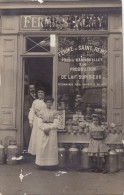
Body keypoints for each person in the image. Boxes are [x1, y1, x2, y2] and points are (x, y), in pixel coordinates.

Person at [35, 96, 59, 169]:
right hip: (43, 130)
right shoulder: (41, 112)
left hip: (52, 131)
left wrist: (49, 128)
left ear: (52, 103)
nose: (49, 103)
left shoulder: (54, 112)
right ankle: (41, 164)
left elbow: (56, 123)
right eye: (47, 102)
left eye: (50, 102)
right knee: (42, 146)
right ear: (45, 103)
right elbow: (39, 123)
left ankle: (51, 164)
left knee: (51, 147)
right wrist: (44, 128)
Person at [28, 87, 46, 155]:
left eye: (42, 92)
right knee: (36, 135)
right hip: (36, 120)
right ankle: (36, 152)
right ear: (37, 94)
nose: (40, 94)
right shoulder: (35, 101)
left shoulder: (46, 101)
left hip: (43, 120)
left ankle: (42, 152)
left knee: (42, 136)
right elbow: (32, 111)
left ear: (44, 93)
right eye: (39, 92)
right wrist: (30, 121)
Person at [23, 84, 36, 150]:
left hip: (36, 118)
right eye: (30, 88)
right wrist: (30, 118)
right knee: (27, 133)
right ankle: (28, 148)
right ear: (28, 89)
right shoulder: (27, 97)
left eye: (33, 88)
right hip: (28, 118)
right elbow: (26, 109)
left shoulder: (36, 96)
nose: (32, 89)